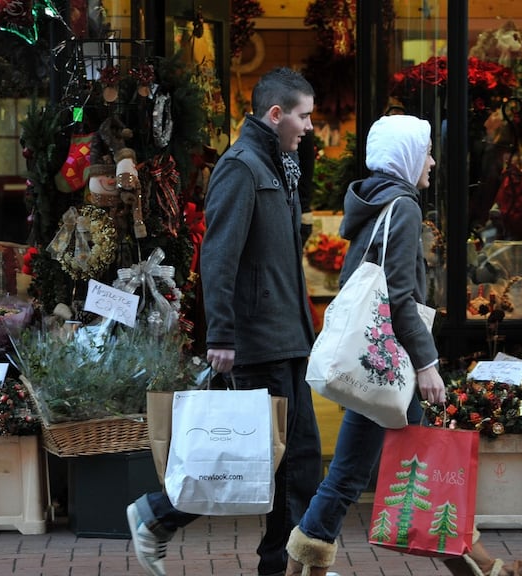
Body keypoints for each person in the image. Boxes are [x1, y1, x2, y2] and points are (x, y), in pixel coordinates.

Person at [283, 114, 522, 576]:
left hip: (379, 359)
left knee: (404, 463)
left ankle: (478, 566)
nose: (434, 161)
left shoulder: (373, 202)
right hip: (390, 363)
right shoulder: (402, 207)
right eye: (426, 151)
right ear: (406, 155)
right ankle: (478, 567)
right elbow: (399, 297)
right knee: (367, 472)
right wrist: (427, 363)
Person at [126, 67, 323, 576]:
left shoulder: (281, 163)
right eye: (303, 116)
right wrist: (222, 335)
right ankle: (156, 514)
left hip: (288, 338)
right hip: (260, 342)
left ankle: (282, 567)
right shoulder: (241, 167)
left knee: (296, 465)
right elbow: (218, 257)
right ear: (276, 114)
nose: (308, 127)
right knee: (252, 459)